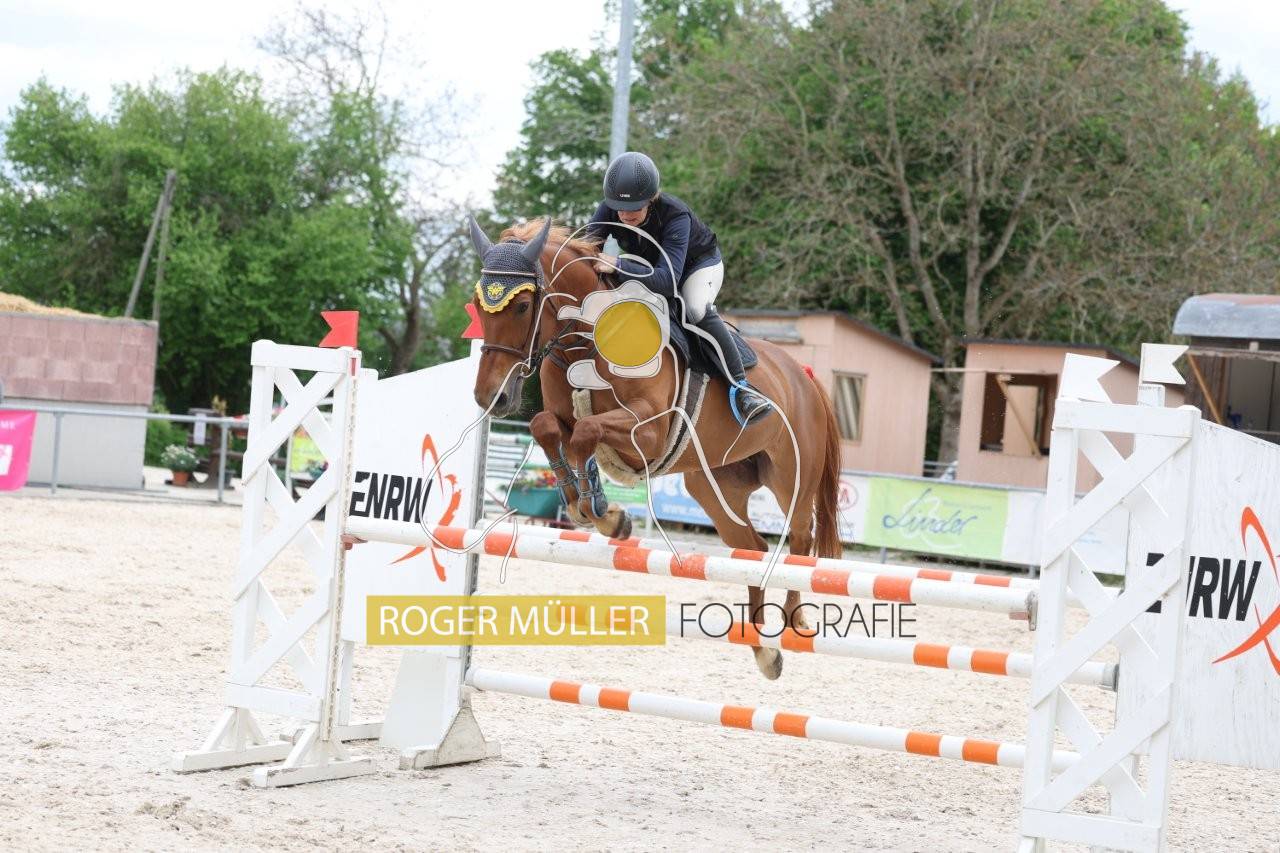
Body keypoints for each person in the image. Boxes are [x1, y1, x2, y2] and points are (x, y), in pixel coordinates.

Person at [585, 151, 772, 426]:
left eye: (634, 207)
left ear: (651, 198)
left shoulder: (676, 215)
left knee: (694, 308)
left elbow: (667, 282)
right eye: (619, 207)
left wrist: (618, 265)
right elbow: (586, 251)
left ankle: (742, 388)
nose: (624, 214)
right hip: (655, 267)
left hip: (696, 267)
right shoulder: (610, 209)